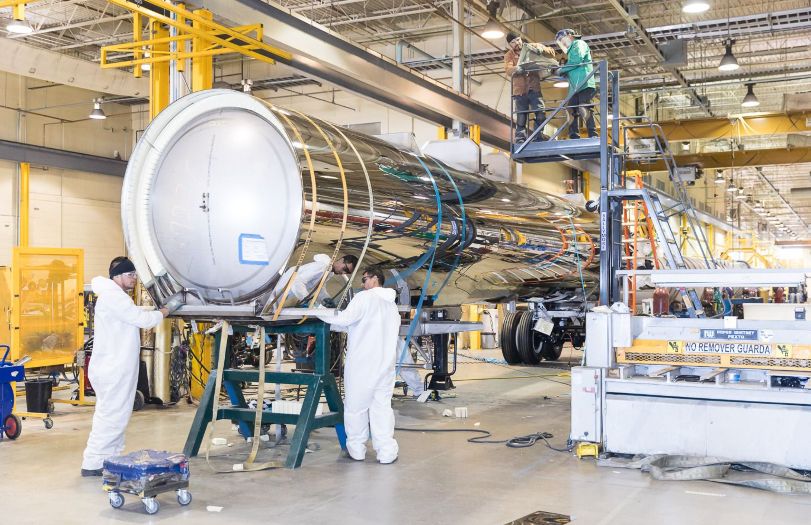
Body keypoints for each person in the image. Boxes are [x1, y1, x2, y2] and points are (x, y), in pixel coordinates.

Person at [81, 257, 183, 476]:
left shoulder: (116, 296)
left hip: (115, 367)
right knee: (111, 416)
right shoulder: (113, 296)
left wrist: (153, 310)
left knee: (117, 416)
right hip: (113, 368)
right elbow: (143, 320)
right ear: (117, 275)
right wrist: (167, 310)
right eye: (130, 274)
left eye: (135, 274)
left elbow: (133, 314)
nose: (134, 278)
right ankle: (93, 462)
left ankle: (109, 458)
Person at [315, 266, 400, 464]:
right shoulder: (391, 304)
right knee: (382, 408)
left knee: (356, 407)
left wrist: (318, 310)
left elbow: (346, 318)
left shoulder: (364, 297)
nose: (361, 284)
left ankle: (357, 449)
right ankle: (387, 452)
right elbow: (356, 325)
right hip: (385, 365)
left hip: (363, 364)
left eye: (364, 279)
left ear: (375, 279)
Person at [504, 31, 556, 144]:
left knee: (541, 113)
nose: (517, 43)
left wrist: (541, 50)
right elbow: (508, 69)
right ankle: (520, 139)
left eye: (518, 40)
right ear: (509, 44)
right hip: (520, 91)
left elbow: (552, 53)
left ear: (521, 39)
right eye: (513, 42)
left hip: (534, 88)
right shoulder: (509, 55)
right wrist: (516, 69)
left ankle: (538, 136)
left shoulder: (532, 47)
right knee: (521, 116)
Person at [270, 254, 358, 309]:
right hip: (274, 294)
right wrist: (307, 299)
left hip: (280, 296)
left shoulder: (328, 271)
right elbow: (296, 282)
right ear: (341, 260)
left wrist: (326, 299)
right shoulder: (322, 267)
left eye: (347, 272)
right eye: (345, 268)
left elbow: (318, 288)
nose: (343, 273)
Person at [555, 29, 597, 140]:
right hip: (575, 86)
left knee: (583, 107)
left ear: (569, 35)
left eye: (562, 40)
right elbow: (573, 65)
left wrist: (561, 70)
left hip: (584, 82)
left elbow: (577, 61)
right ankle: (573, 136)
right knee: (570, 110)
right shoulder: (571, 50)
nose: (563, 43)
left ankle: (593, 134)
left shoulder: (578, 44)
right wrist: (564, 71)